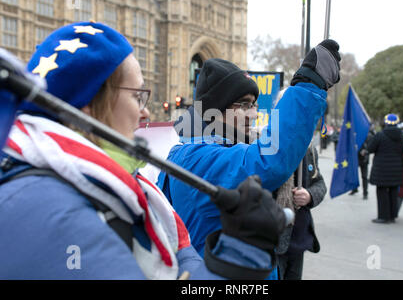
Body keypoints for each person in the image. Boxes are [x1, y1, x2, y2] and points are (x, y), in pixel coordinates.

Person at [0, 22, 286, 279]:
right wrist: (238, 256)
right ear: (87, 104)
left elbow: (182, 260)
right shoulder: (53, 208)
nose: (146, 112)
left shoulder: (124, 184)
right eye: (138, 96)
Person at [158, 39, 341, 264]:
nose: (253, 114)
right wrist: (309, 85)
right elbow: (267, 161)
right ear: (213, 111)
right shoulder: (198, 156)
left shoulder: (202, 149)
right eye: (243, 105)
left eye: (253, 104)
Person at [269, 88, 326, 280]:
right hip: (272, 239)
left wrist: (309, 196)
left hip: (299, 239)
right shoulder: (265, 145)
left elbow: (320, 184)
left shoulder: (309, 149)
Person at [368, 113, 403, 224]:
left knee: (382, 193)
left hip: (382, 170)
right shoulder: (401, 136)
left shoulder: (380, 135)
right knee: (394, 192)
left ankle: (383, 216)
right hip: (396, 169)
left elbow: (371, 148)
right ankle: (393, 216)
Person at [349, 126, 375, 199]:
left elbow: (371, 146)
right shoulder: (354, 134)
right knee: (354, 174)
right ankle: (354, 189)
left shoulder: (368, 135)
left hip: (364, 159)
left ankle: (365, 192)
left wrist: (365, 151)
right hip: (355, 158)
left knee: (364, 176)